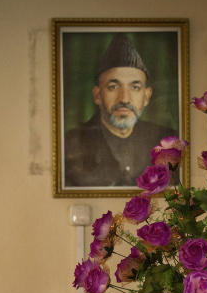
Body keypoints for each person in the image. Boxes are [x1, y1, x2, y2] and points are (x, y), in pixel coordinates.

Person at [63, 33, 178, 188]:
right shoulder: (69, 144)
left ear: (147, 96)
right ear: (97, 95)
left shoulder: (167, 142)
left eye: (135, 87)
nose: (124, 98)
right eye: (113, 87)